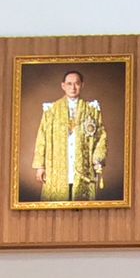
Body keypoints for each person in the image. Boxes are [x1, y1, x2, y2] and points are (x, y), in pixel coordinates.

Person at [30, 68, 106, 201]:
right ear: (63, 86)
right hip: (57, 166)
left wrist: (97, 159)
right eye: (69, 84)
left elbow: (100, 137)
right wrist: (40, 166)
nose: (73, 87)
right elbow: (42, 138)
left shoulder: (92, 110)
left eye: (77, 83)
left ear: (82, 85)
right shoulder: (51, 110)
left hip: (83, 166)